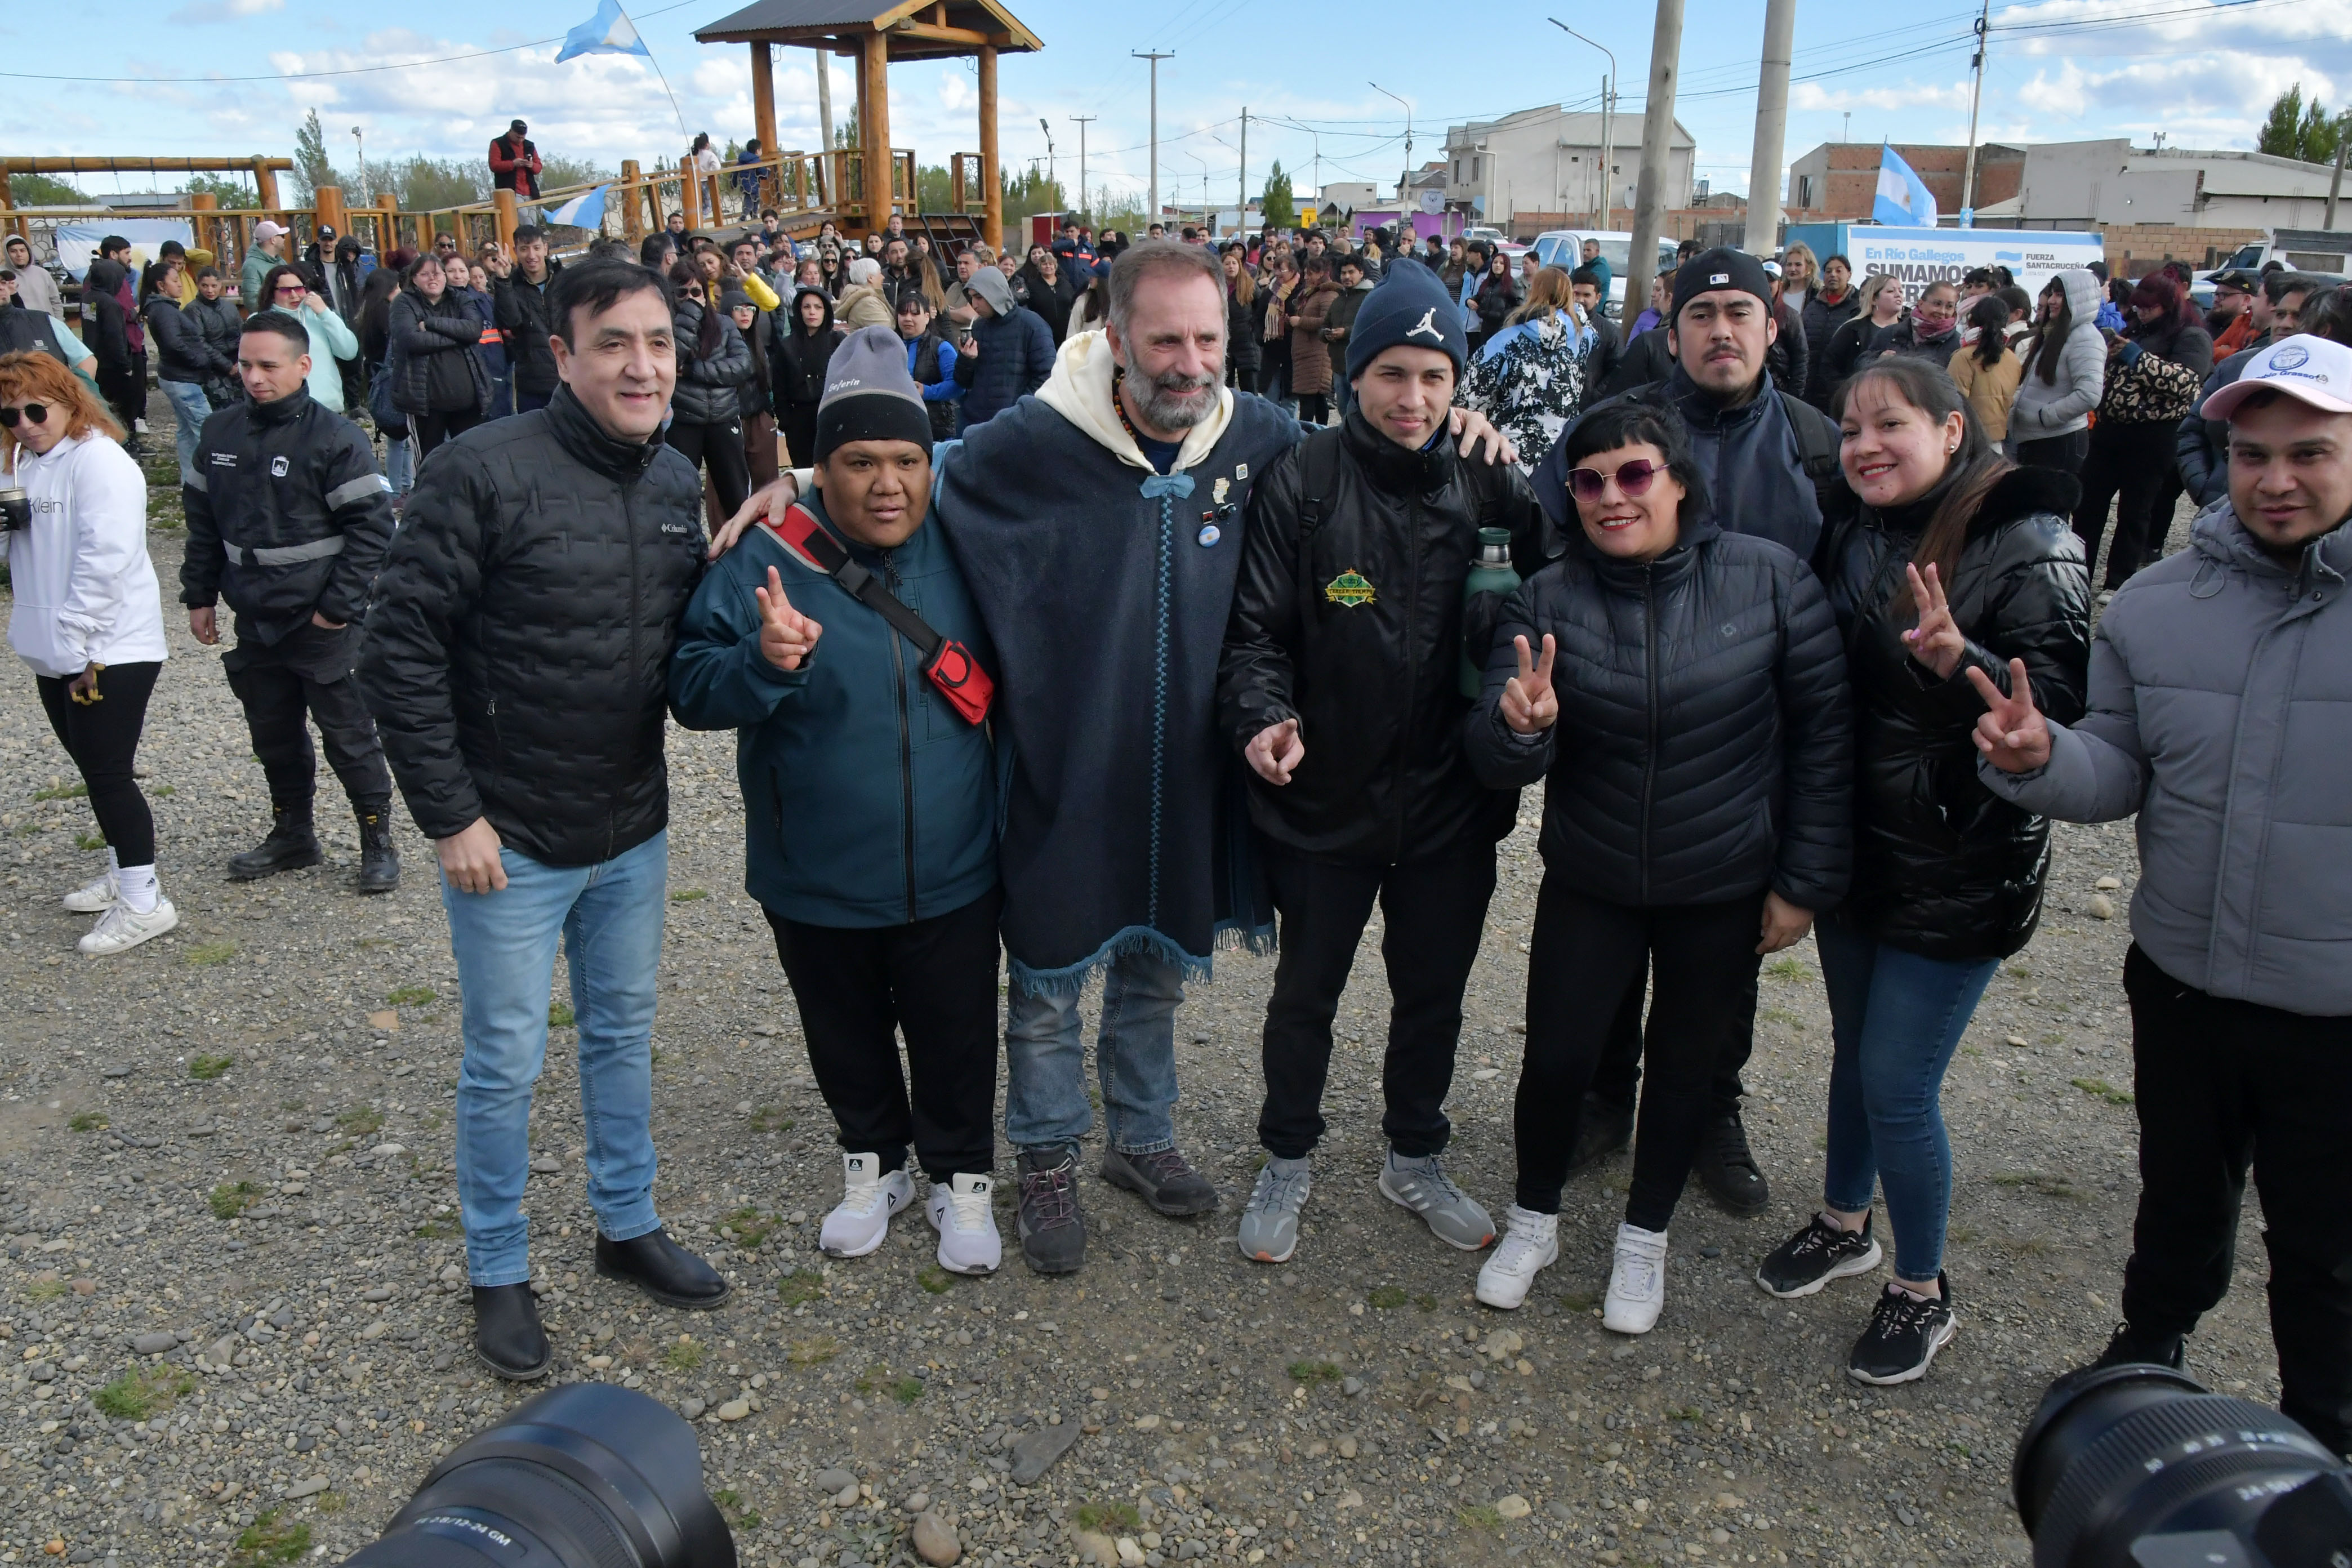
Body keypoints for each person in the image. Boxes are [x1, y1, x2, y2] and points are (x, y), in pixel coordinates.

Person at [721, 240, 1517, 1276]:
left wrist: (1461, 427)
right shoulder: (1034, 442)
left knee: (1155, 970)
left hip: (1191, 766)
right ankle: (1047, 1152)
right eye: (1166, 340)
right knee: (1048, 978)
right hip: (1066, 759)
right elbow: (922, 464)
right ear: (1113, 339)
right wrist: (793, 484)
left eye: (1208, 340)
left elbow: (1364, 443)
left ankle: (1141, 1136)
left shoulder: (1260, 437)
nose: (1189, 363)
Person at [1974, 332, 2352, 1459]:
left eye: (2310, 453)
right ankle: (2148, 1354)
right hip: (2182, 979)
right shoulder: (2155, 604)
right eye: (2251, 454)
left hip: (2335, 1009)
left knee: (2325, 1244)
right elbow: (2120, 775)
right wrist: (2038, 758)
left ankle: (2325, 1428)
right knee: (2180, 1195)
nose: (2275, 479)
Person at [358, 260, 732, 1379]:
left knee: (620, 1034)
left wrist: (762, 655)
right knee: (507, 1058)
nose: (642, 363)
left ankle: (626, 1225)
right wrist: (451, 815)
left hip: (631, 825)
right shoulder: (481, 470)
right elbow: (398, 648)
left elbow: (677, 666)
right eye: (614, 342)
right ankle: (498, 1266)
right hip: (508, 840)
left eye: (658, 342)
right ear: (559, 356)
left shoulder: (674, 481)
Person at [1465, 394, 1851, 1324]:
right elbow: (1494, 738)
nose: (1611, 496)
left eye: (1635, 473)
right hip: (1592, 877)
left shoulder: (1769, 581)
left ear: (1679, 481)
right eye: (1588, 480)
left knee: (1685, 1066)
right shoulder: (1547, 595)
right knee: (1557, 1059)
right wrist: (1522, 729)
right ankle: (1535, 1213)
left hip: (1717, 879)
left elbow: (1824, 737)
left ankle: (1644, 1237)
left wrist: (1802, 881)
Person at [1218, 261, 1551, 1266]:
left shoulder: (1491, 478)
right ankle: (1287, 1151)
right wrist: (1266, 715)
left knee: (1433, 993)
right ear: (1355, 374)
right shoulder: (1305, 481)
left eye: (1435, 378)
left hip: (1452, 801)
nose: (1413, 399)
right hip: (1324, 801)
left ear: (1460, 385)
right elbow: (1255, 634)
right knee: (1306, 993)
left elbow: (1549, 591)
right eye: (1392, 374)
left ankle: (1415, 1149)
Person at [1764, 358, 2088, 1383]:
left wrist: (1967, 666)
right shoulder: (1858, 527)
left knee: (1900, 1083)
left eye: (1890, 424)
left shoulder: (2031, 546)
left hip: (1959, 863)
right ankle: (1842, 1219)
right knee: (1856, 1053)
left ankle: (1921, 1286)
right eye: (1852, 427)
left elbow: (2057, 721)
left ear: (1953, 432)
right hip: (1861, 849)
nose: (1864, 444)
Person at [671, 326, 1005, 1274]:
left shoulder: (968, 531)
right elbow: (692, 687)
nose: (887, 483)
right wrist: (762, 662)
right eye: (859, 461)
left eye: (908, 459)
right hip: (813, 862)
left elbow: (1052, 425)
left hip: (953, 856)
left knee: (956, 1025)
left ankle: (962, 1175)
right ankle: (874, 1160)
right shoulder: (761, 554)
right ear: (823, 468)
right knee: (842, 1025)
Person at [1531, 247, 1851, 1215]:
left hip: (1748, 732)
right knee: (1606, 949)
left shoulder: (1815, 443)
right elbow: (1555, 538)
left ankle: (1713, 1104)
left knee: (1723, 955)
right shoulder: (1627, 431)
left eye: (1739, 313)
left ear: (1772, 326)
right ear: (1670, 332)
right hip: (1616, 733)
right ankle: (1601, 1097)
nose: (1721, 330)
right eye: (1702, 312)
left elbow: (1844, 580)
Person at [181, 309, 400, 893]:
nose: (253, 377)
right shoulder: (220, 433)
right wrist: (199, 595)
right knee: (273, 735)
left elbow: (373, 533)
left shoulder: (334, 439)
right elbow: (202, 524)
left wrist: (337, 609)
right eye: (246, 364)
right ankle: (293, 836)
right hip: (255, 619)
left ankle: (376, 840)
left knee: (351, 737)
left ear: (303, 367)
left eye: (268, 366)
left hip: (323, 624)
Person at [0, 350, 175, 954]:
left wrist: (77, 643)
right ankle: (121, 870)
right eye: (10, 413)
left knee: (107, 772)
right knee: (91, 770)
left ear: (68, 400)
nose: (23, 423)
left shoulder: (101, 463)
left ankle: (145, 899)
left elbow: (107, 559)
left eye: (34, 409)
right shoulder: (22, 462)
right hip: (55, 646)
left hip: (108, 646)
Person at [2179, 271, 2319, 508]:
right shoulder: (2236, 367)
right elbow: (2191, 431)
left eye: (2298, 316)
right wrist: (2206, 489)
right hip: (2221, 512)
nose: (2285, 324)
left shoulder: (2334, 377)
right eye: (2281, 314)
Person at [1459, 266, 1590, 473]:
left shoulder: (1506, 341)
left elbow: (1468, 399)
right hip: (1563, 457)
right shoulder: (1585, 339)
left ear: (1533, 292)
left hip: (1509, 456)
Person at [665, 259, 755, 527]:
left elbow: (742, 366)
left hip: (723, 416)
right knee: (681, 496)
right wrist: (689, 317)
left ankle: (745, 553)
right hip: (684, 419)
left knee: (737, 497)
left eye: (697, 292)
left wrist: (695, 372)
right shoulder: (666, 326)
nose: (691, 298)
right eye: (683, 293)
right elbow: (672, 361)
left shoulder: (725, 325)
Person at [387, 253, 489, 459]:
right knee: (429, 463)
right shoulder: (404, 302)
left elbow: (473, 330)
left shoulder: (460, 298)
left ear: (445, 276)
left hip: (467, 402)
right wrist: (458, 337)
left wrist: (432, 323)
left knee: (472, 460)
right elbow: (412, 340)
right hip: (425, 404)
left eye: (437, 273)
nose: (432, 279)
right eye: (425, 274)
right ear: (414, 278)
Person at [144, 263, 236, 486]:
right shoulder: (164, 311)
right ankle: (219, 482)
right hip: (183, 380)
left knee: (186, 432)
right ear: (161, 285)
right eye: (175, 280)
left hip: (179, 377)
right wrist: (201, 360)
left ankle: (190, 480)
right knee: (206, 430)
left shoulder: (166, 308)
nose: (179, 284)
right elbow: (175, 344)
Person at [2007, 270, 2105, 478]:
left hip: (2058, 441)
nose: (2052, 300)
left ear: (2078, 299)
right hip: (2038, 440)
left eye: (2060, 295)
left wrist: (2045, 417)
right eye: (2052, 293)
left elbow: (2090, 395)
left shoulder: (2086, 338)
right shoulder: (2055, 333)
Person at [951, 265, 1053, 430]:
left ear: (994, 293)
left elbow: (1046, 376)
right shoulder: (977, 327)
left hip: (1015, 426)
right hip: (975, 423)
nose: (974, 305)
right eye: (971, 298)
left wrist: (1017, 411)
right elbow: (962, 380)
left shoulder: (1033, 325)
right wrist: (966, 359)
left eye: (979, 297)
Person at [255, 264, 361, 415]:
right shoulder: (260, 322)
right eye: (286, 290)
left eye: (299, 289)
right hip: (283, 408)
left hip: (327, 407)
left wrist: (325, 313)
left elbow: (349, 351)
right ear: (272, 294)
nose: (294, 295)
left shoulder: (319, 316)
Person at [493, 226, 564, 417]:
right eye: (524, 249)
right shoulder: (510, 286)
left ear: (546, 249)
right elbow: (511, 322)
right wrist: (503, 280)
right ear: (516, 252)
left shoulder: (564, 280)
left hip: (569, 375)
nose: (531, 255)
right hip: (532, 380)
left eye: (537, 248)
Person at [774, 283, 841, 466]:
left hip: (831, 416)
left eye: (818, 307)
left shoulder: (838, 341)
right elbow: (779, 386)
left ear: (826, 310)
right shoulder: (787, 346)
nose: (812, 312)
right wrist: (786, 420)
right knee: (804, 471)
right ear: (799, 310)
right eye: (807, 307)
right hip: (798, 420)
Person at [1949, 295, 2023, 455]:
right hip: (1998, 442)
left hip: (1968, 442)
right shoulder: (2012, 358)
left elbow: (1953, 401)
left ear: (1971, 321)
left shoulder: (1964, 357)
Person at [0, 264, 96, 375]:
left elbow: (86, 360)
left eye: (3, 282)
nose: (2, 287)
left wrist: (78, 390)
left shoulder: (44, 321)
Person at [446, 256, 507, 421]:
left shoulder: (484, 300)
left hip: (491, 370)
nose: (458, 276)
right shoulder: (440, 305)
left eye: (462, 270)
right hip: (458, 379)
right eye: (451, 271)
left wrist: (503, 280)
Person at [893, 292, 961, 443]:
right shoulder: (889, 346)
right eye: (903, 313)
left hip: (935, 430)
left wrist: (926, 391)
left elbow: (957, 386)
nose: (908, 318)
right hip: (897, 426)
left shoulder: (941, 347)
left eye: (915, 313)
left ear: (927, 316)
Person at [1284, 255, 1341, 426]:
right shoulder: (1312, 293)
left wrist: (1300, 322)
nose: (1307, 278)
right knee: (1312, 399)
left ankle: (1311, 433)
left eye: (1310, 274)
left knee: (1313, 399)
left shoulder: (1328, 294)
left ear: (1322, 273)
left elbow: (1326, 321)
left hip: (1317, 354)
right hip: (1306, 353)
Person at [6, 235, 64, 323]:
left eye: (23, 250)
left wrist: (60, 323)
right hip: (17, 328)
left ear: (29, 252)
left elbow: (55, 301)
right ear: (7, 254)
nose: (19, 255)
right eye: (13, 251)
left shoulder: (42, 273)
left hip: (46, 325)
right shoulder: (3, 276)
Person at [2206, 268, 2257, 355]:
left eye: (2224, 295)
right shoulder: (2204, 324)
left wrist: (2224, 353)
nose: (2216, 300)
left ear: (2246, 300)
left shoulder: (2253, 327)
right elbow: (2204, 353)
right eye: (2216, 294)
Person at [240, 221, 289, 314]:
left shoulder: (280, 261)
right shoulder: (251, 266)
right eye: (282, 236)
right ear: (273, 240)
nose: (284, 240)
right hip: (271, 322)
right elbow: (252, 302)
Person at [489, 120, 542, 201]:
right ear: (510, 131)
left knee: (532, 213)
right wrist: (513, 164)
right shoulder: (498, 143)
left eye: (523, 138)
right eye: (518, 137)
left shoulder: (530, 145)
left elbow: (539, 167)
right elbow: (494, 165)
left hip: (530, 192)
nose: (520, 140)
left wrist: (532, 165)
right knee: (522, 213)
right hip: (510, 192)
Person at [1780, 242, 1819, 317]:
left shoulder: (1817, 295)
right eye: (1789, 265)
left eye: (1798, 265)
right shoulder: (1777, 294)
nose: (1792, 269)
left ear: (1809, 268)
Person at [1580, 236, 1612, 302]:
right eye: (1584, 250)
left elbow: (1588, 282)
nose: (1585, 253)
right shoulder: (1585, 267)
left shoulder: (1602, 268)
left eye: (1589, 250)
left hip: (1594, 310)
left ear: (1597, 252)